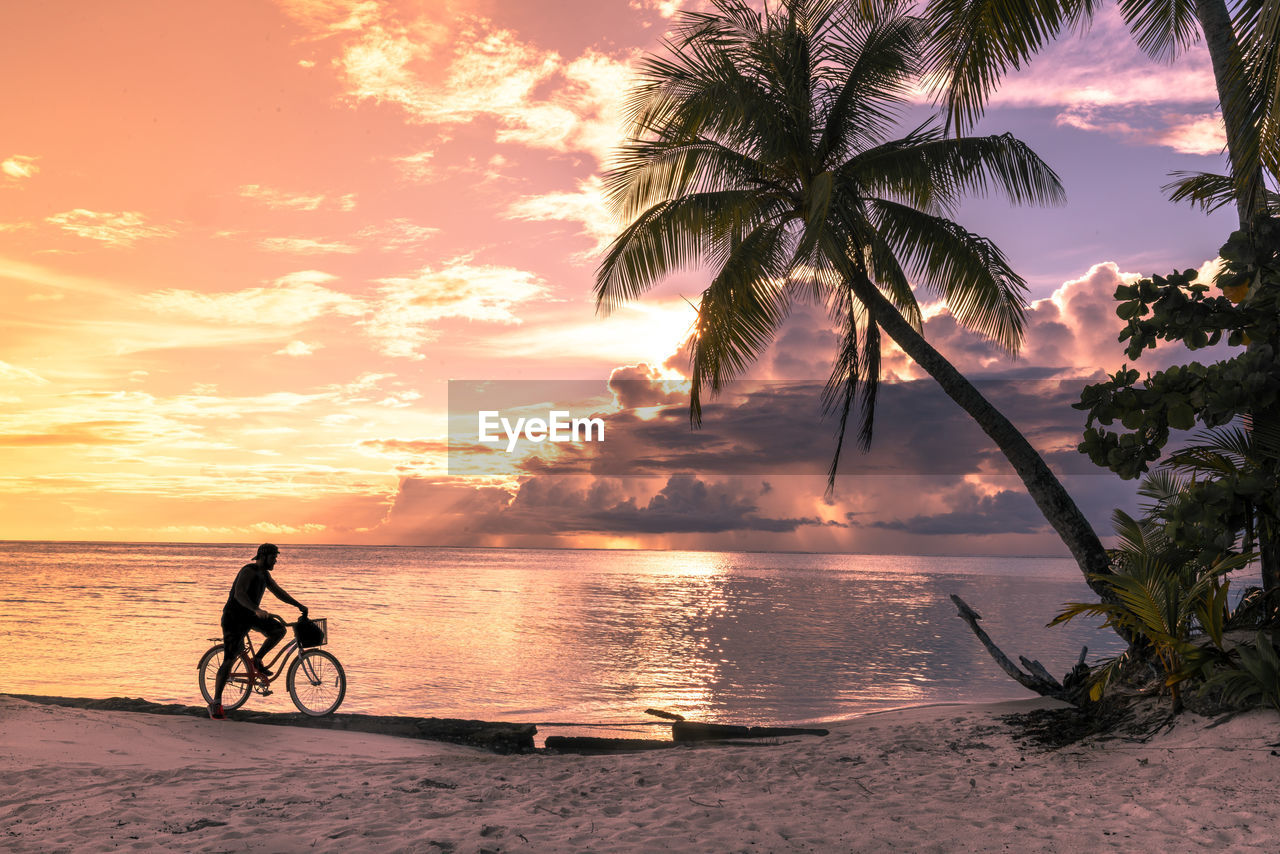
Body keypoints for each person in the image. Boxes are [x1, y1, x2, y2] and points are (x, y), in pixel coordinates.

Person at [208, 543, 308, 720]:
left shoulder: (264, 574)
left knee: (278, 630)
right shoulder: (249, 571)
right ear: (263, 556)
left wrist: (298, 605)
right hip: (234, 618)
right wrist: (256, 609)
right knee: (230, 659)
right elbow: (239, 594)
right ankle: (215, 703)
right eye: (273, 557)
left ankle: (257, 660)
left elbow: (278, 592)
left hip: (250, 615)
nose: (275, 560)